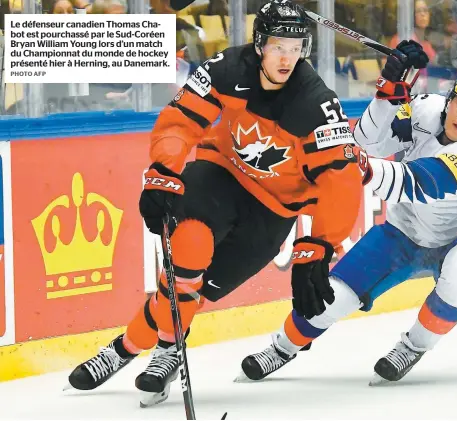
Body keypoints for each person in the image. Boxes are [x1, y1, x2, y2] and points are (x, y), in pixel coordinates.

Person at [66, 0, 364, 407]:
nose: (287, 58)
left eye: (296, 49)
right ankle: (159, 351)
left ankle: (126, 346)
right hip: (221, 174)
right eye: (279, 46)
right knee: (188, 253)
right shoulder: (226, 68)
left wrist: (319, 246)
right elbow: (182, 120)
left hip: (274, 209)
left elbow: (341, 179)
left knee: (194, 291)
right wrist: (165, 170)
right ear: (259, 44)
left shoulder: (315, 103)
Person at [238, 42, 457, 385]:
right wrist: (388, 91)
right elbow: (368, 141)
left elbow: (420, 182)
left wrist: (364, 168)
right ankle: (282, 348)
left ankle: (413, 346)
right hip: (406, 231)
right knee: (332, 296)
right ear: (450, 99)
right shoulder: (427, 110)